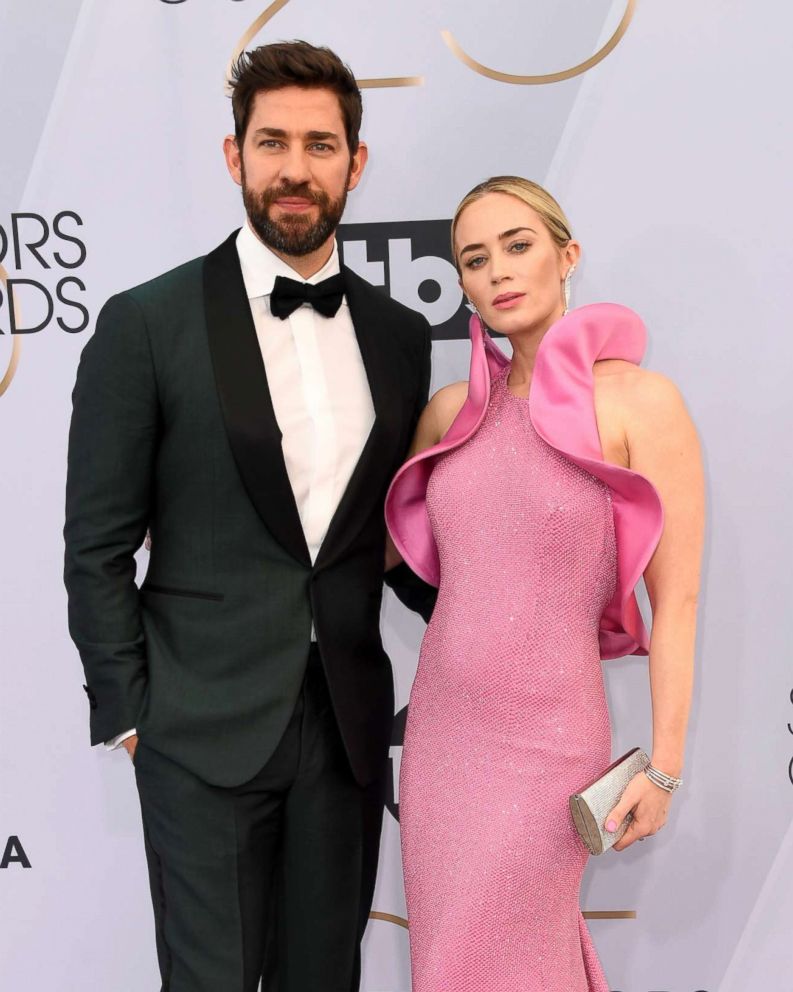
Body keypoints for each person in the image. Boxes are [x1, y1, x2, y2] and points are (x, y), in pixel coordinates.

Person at [64, 41, 434, 992]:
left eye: (319, 144)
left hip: (346, 731)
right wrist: (130, 712)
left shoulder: (398, 336)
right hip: (196, 724)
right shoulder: (145, 323)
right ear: (235, 157)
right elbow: (96, 545)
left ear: (355, 162)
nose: (295, 169)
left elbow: (389, 534)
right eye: (272, 142)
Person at [385, 176, 704, 991]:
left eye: (518, 245)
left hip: (547, 745)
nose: (498, 270)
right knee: (455, 963)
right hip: (442, 743)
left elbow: (678, 603)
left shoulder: (640, 402)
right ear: (458, 282)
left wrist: (663, 766)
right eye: (474, 258)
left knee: (504, 956)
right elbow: (368, 557)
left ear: (567, 256)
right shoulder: (450, 413)